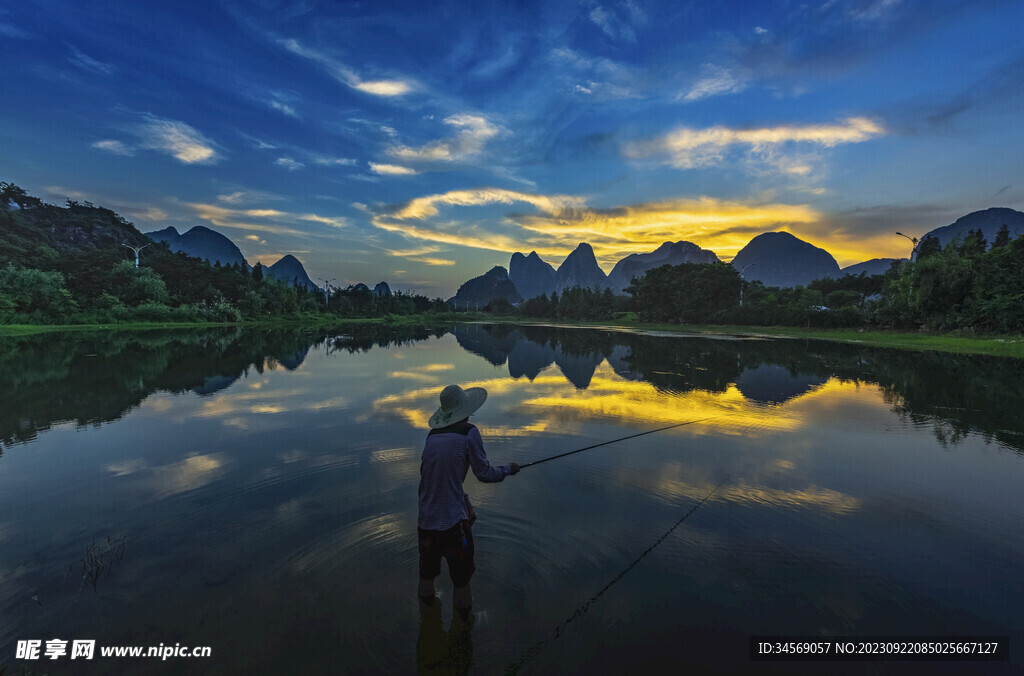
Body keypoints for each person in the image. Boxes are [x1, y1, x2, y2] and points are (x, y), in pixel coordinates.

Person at [417, 383, 519, 620]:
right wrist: (508, 469)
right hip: (453, 524)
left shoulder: (431, 437)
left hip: (426, 522)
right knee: (461, 582)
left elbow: (438, 481)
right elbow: (484, 474)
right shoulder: (468, 433)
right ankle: (464, 630)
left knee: (426, 577)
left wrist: (468, 505)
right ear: (465, 410)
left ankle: (427, 622)